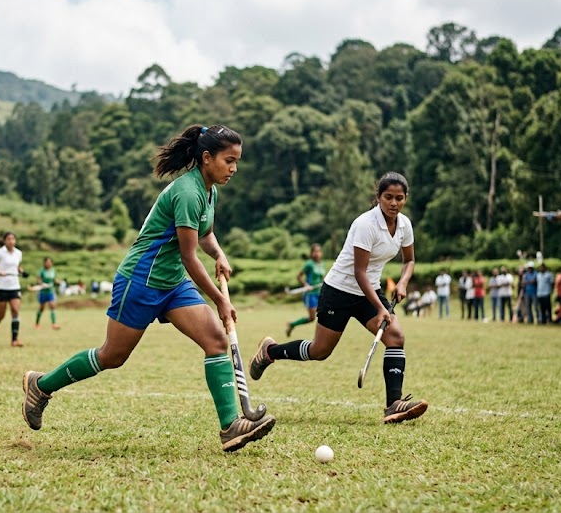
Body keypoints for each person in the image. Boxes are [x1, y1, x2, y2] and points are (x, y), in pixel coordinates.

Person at [21, 124, 276, 453]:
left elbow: (205, 234)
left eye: (237, 161)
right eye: (229, 161)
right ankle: (40, 386)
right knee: (112, 356)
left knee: (215, 341)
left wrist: (219, 254)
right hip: (140, 280)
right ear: (207, 157)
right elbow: (188, 256)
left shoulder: (210, 191)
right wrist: (219, 301)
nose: (234, 169)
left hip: (172, 283)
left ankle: (230, 427)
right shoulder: (187, 192)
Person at [248, 172, 428, 424]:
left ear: (406, 198)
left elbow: (409, 260)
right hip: (340, 290)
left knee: (396, 337)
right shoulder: (365, 224)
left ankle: (393, 404)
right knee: (320, 350)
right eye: (388, 197)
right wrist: (381, 307)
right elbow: (359, 271)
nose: (393, 203)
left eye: (399, 198)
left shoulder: (404, 225)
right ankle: (271, 351)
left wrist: (403, 281)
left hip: (369, 290)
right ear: (378, 197)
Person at [0, 232, 25, 347]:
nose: (11, 241)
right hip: (1, 287)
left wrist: (21, 271)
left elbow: (17, 266)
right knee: (1, 315)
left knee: (15, 311)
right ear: (4, 241)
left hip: (14, 286)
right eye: (8, 239)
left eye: (13, 239)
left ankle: (14, 340)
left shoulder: (18, 253)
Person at [286, 243, 324, 337]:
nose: (317, 254)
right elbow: (299, 276)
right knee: (312, 318)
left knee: (324, 314)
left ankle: (321, 337)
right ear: (311, 253)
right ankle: (292, 324)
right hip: (310, 294)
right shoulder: (309, 264)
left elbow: (322, 278)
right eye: (315, 251)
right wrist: (306, 285)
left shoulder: (321, 264)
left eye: (318, 251)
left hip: (319, 293)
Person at [34, 257, 59, 330]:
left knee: (52, 306)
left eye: (50, 262)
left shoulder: (53, 270)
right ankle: (37, 323)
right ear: (44, 263)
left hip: (50, 291)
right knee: (41, 308)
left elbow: (54, 280)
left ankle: (54, 324)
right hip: (43, 292)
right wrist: (42, 284)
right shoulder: (41, 271)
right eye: (47, 262)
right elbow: (38, 281)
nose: (48, 264)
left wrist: (59, 282)